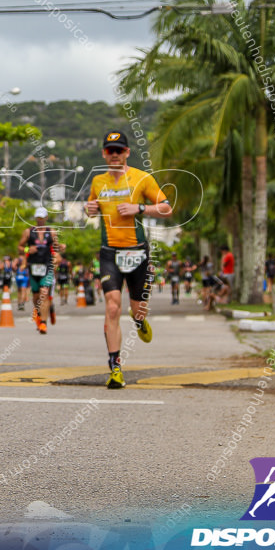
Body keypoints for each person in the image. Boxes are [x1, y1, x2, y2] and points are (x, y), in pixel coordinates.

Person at [85, 130, 172, 389]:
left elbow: (167, 208)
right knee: (112, 306)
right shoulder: (98, 182)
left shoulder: (141, 178)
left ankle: (139, 321)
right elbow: (92, 208)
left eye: (119, 150)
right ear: (104, 153)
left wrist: (140, 208)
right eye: (110, 151)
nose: (114, 155)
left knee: (137, 309)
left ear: (127, 153)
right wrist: (90, 209)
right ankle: (115, 367)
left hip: (137, 252)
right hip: (109, 251)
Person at [19, 207, 60, 334]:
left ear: (46, 218)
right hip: (33, 266)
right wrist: (27, 250)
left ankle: (43, 323)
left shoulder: (51, 232)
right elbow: (20, 247)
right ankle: (42, 313)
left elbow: (56, 247)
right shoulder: (28, 232)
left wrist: (58, 254)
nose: (40, 221)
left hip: (47, 265)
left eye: (42, 218)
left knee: (44, 292)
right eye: (38, 218)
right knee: (36, 296)